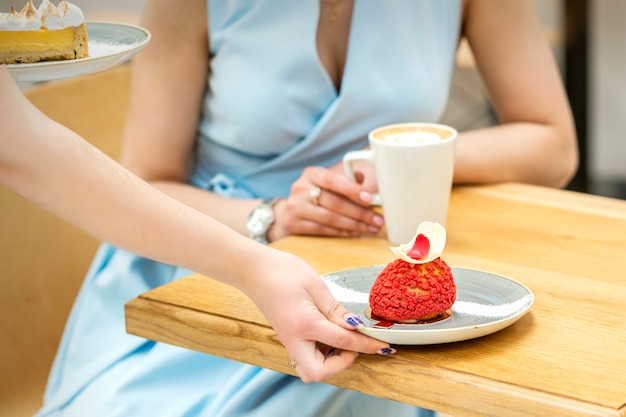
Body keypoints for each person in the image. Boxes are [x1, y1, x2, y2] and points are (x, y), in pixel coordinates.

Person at [37, 0, 579, 416]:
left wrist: (393, 160)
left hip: (378, 285)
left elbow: (553, 146)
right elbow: (150, 182)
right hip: (201, 259)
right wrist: (268, 217)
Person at [0, 65, 395, 384]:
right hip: (198, 265)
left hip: (340, 263)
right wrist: (258, 254)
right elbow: (20, 146)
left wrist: (384, 156)